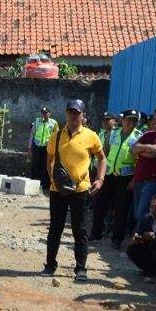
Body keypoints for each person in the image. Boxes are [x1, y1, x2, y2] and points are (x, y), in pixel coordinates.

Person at [42, 99, 105, 281]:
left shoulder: (91, 136)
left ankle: (81, 269)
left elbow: (102, 158)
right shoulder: (57, 136)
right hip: (58, 191)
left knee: (80, 230)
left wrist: (100, 179)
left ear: (83, 115)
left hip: (80, 190)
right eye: (70, 112)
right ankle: (50, 265)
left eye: (77, 112)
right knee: (55, 228)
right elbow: (49, 160)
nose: (73, 115)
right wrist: (55, 179)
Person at [91, 109, 140, 248]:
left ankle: (116, 239)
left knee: (121, 210)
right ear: (122, 120)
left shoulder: (138, 137)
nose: (131, 122)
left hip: (125, 178)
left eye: (134, 120)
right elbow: (104, 153)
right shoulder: (113, 133)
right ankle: (95, 233)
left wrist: (134, 179)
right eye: (128, 119)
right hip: (108, 174)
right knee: (100, 204)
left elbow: (139, 161)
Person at [126, 194, 156, 278]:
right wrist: (137, 239)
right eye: (151, 207)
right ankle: (150, 270)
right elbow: (138, 233)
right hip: (150, 248)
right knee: (132, 249)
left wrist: (155, 237)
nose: (153, 210)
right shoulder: (147, 219)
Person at [29, 106, 58, 191]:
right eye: (43, 113)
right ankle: (33, 183)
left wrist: (54, 148)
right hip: (37, 146)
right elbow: (32, 134)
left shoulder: (53, 123)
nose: (44, 114)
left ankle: (45, 185)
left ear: (49, 113)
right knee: (35, 165)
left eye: (46, 113)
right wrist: (29, 146)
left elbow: (56, 136)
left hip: (47, 148)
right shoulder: (37, 121)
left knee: (46, 166)